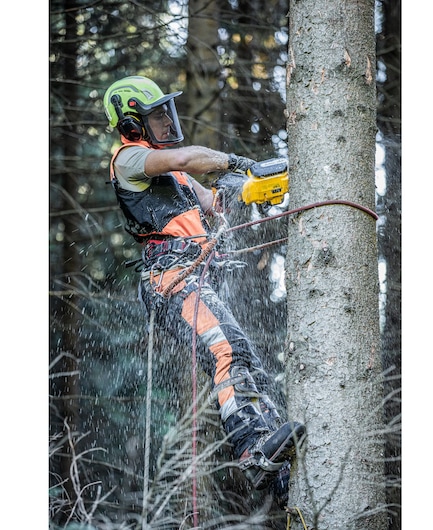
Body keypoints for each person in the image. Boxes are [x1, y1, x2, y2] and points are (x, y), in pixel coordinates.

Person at [102, 75, 305, 498]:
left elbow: (216, 202)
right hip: (171, 282)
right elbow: (193, 157)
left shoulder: (171, 172)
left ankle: (281, 476)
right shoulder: (130, 160)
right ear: (131, 123)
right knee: (226, 351)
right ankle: (252, 451)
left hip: (191, 277)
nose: (164, 123)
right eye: (154, 117)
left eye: (165, 115)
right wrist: (238, 161)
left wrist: (262, 184)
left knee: (244, 356)